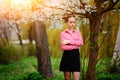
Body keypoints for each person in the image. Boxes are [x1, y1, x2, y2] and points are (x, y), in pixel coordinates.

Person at [59, 14, 83, 80]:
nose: (72, 24)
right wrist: (76, 46)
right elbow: (64, 47)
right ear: (66, 23)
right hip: (67, 57)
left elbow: (81, 43)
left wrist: (69, 42)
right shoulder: (63, 33)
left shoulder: (78, 33)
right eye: (70, 22)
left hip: (76, 57)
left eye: (74, 22)